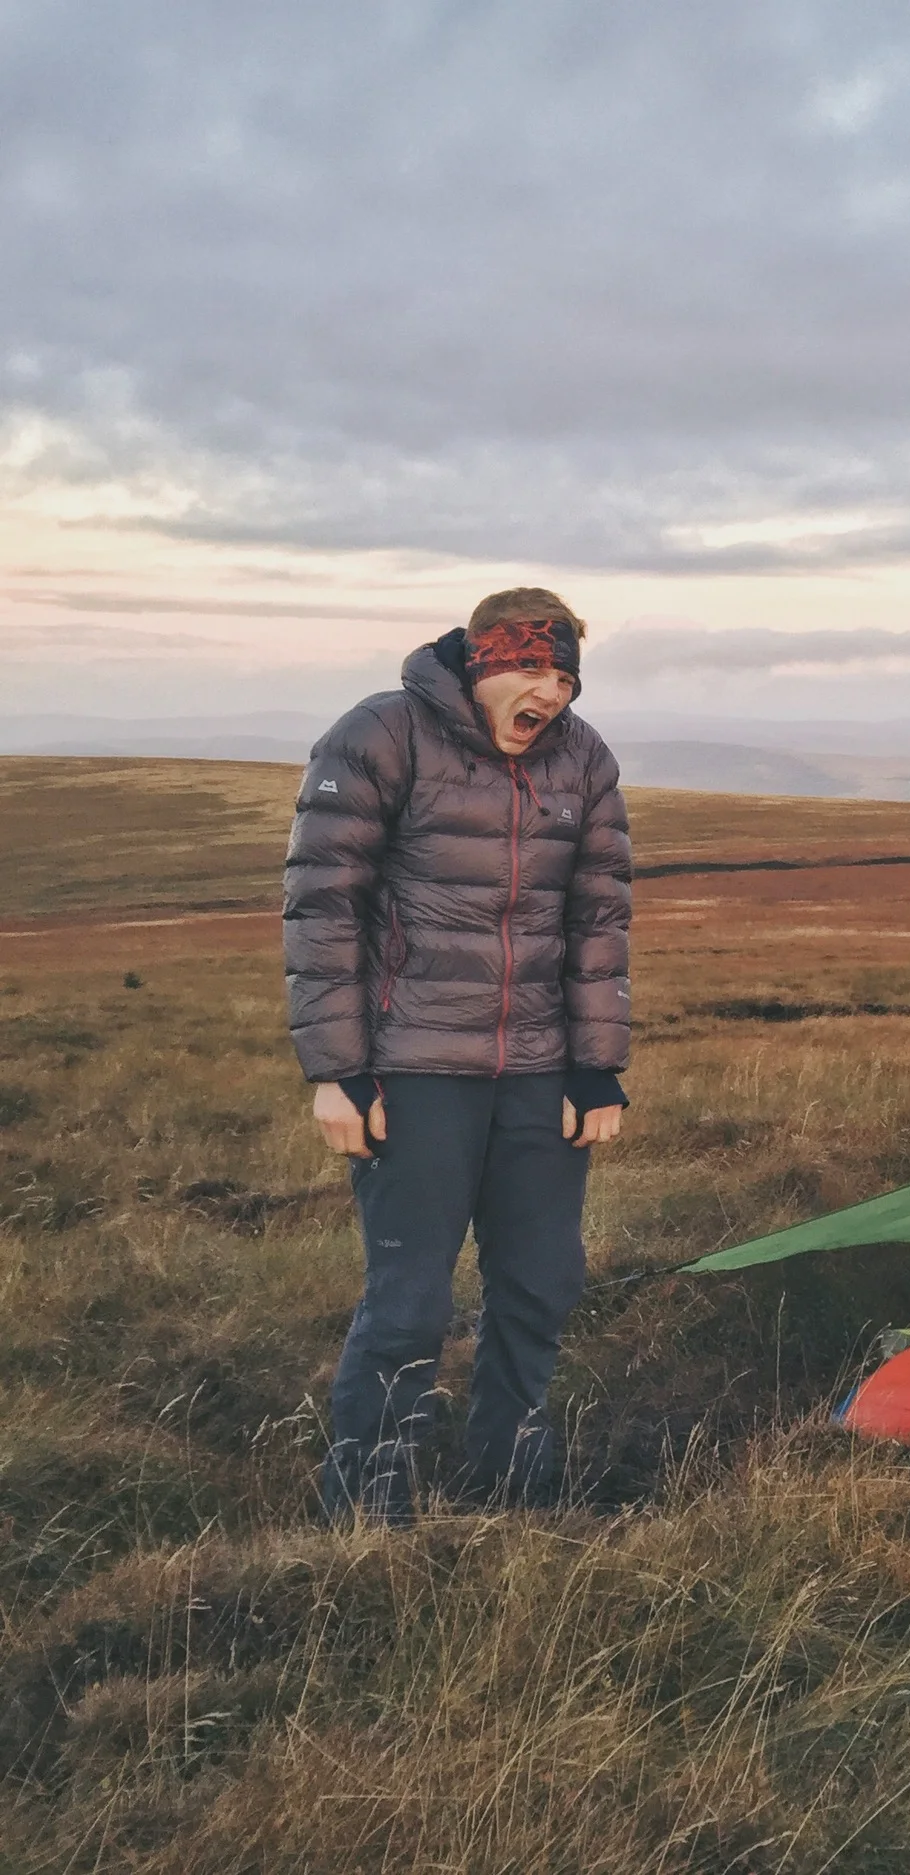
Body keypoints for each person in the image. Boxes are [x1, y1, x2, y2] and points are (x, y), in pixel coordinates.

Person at [284, 588, 632, 1520]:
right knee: (409, 1303)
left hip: (541, 1072)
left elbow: (598, 918)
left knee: (542, 1283)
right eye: (533, 668)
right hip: (414, 1067)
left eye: (566, 677)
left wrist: (597, 1067)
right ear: (483, 660)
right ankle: (369, 1509)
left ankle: (514, 1480)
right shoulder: (380, 735)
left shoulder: (584, 757)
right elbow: (323, 909)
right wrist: (338, 1073)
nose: (551, 692)